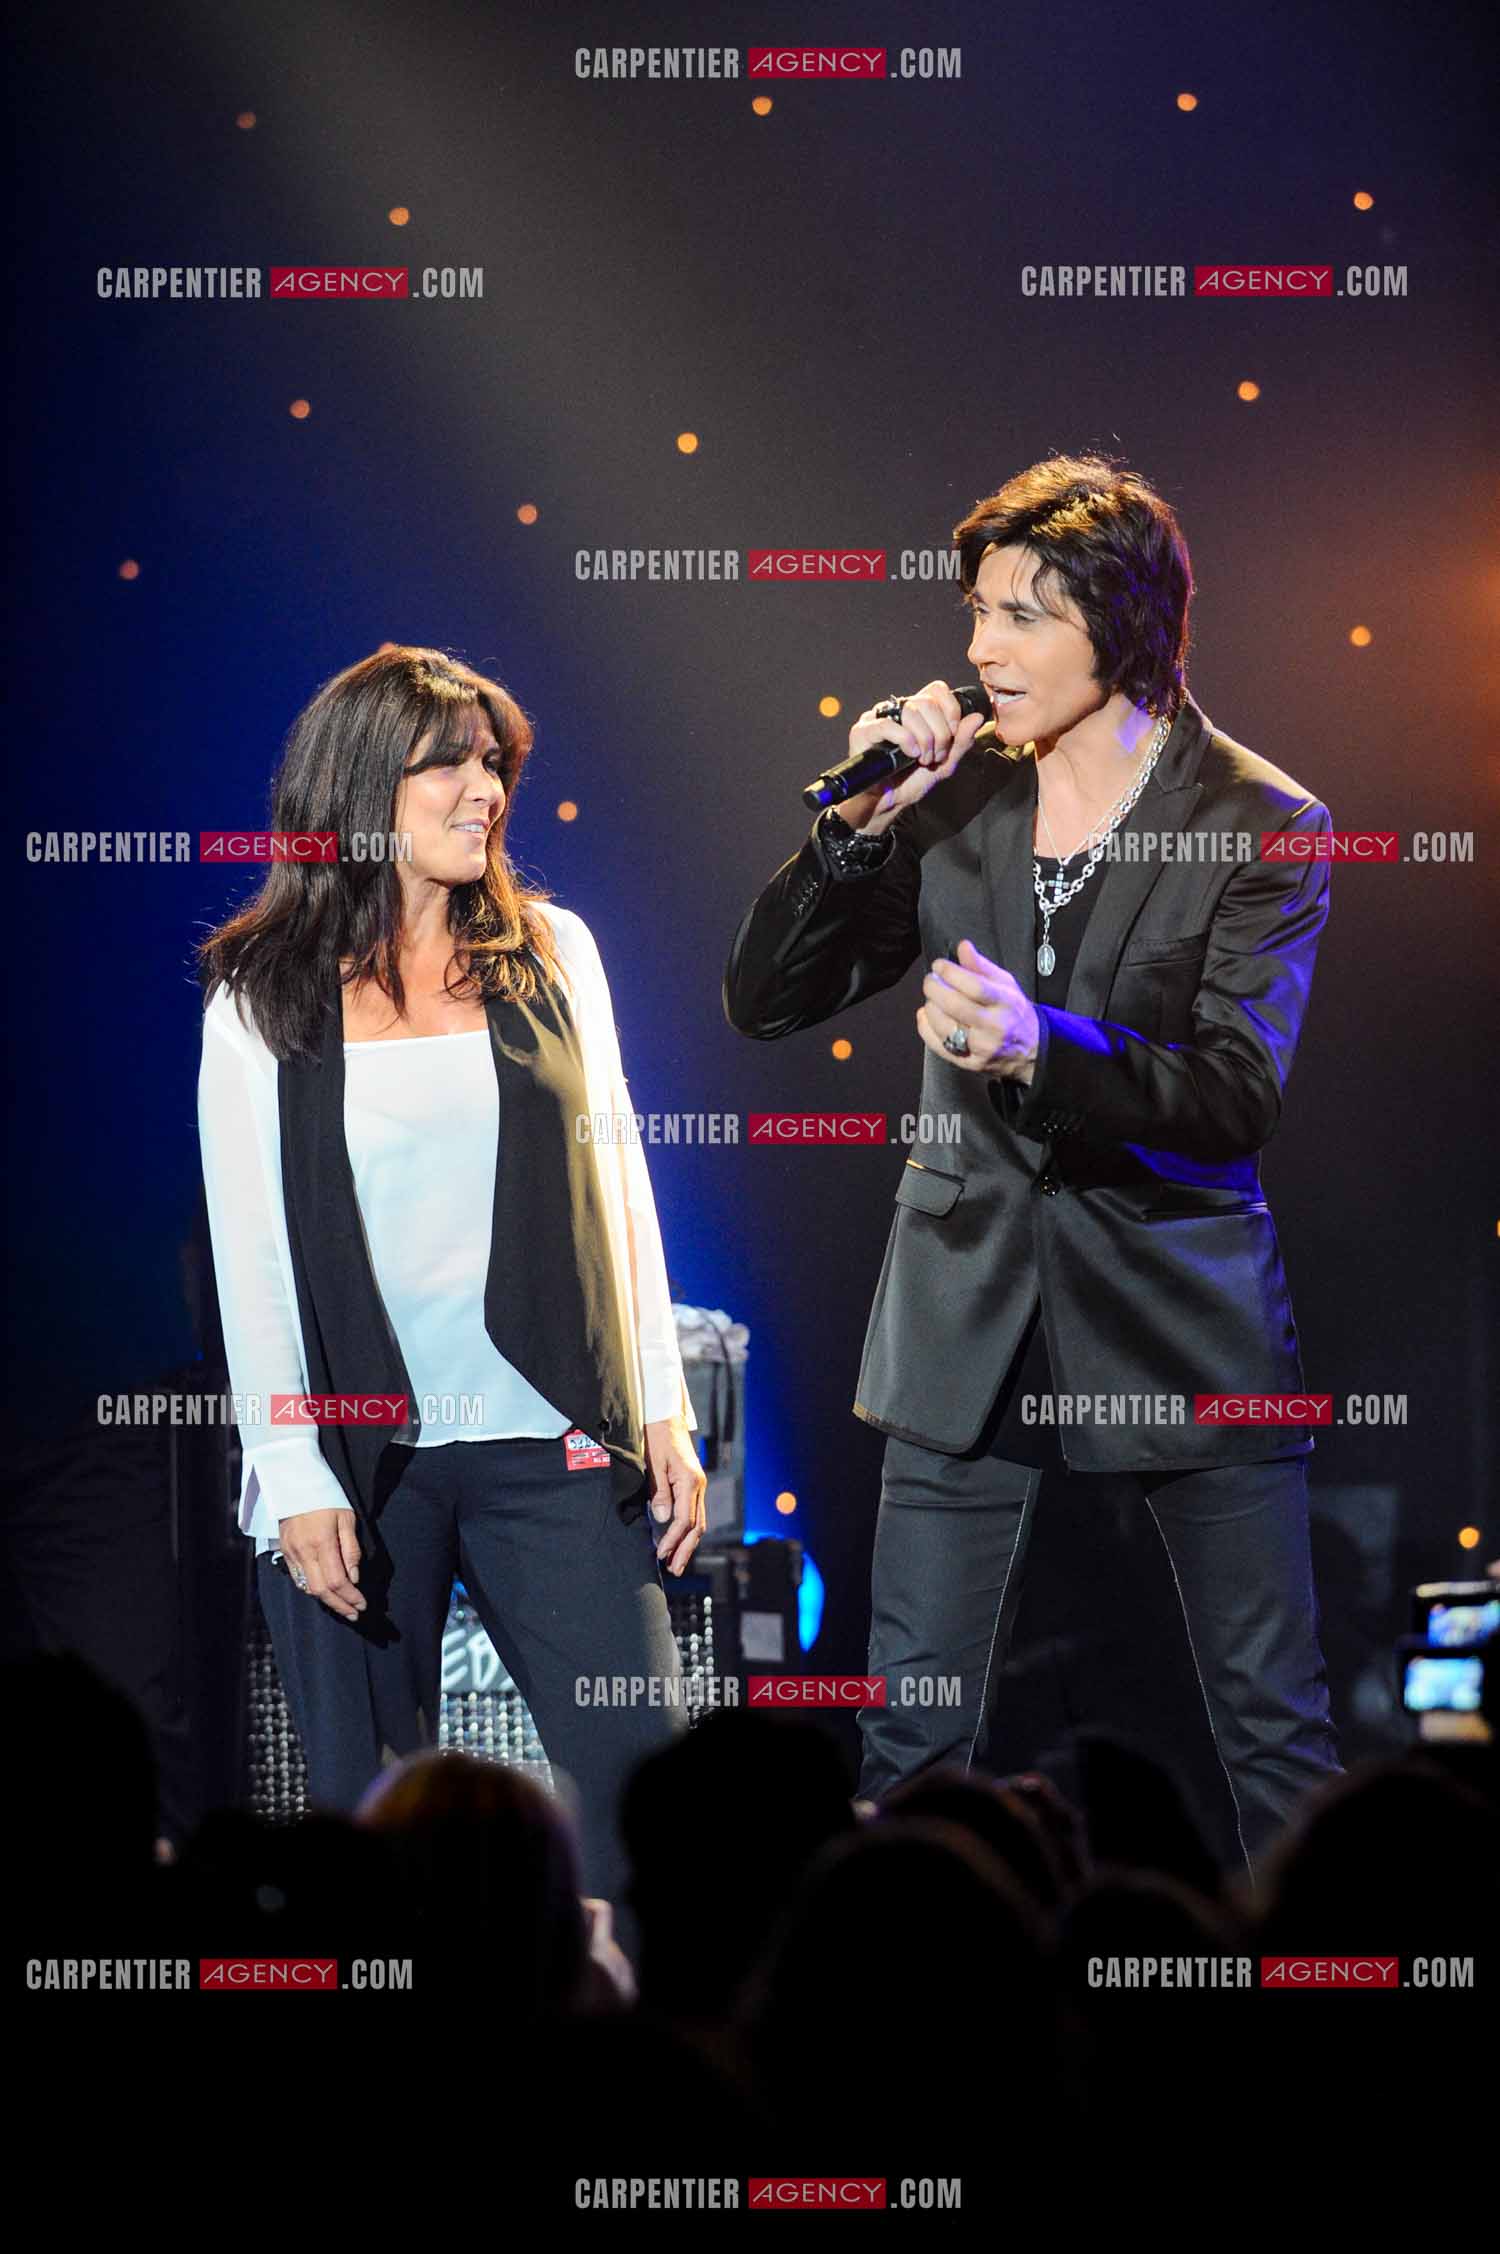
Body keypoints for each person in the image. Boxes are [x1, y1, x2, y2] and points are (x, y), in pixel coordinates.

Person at [723, 453, 1343, 1880]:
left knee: (1270, 1730)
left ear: (1118, 629)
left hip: (1179, 1307)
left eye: (1018, 616)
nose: (979, 649)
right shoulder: (951, 798)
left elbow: (1235, 1093)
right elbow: (764, 1001)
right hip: (965, 1302)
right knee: (910, 1737)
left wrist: (1039, 1048)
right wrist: (852, 831)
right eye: (976, 614)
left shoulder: (1262, 822)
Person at [196, 645, 705, 1920]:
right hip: (362, 1463)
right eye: (453, 763)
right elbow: (248, 1251)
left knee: (652, 1805)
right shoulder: (261, 997)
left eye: (496, 763)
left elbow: (620, 1187)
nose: (486, 787)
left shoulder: (557, 954)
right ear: (365, 784)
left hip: (555, 1439)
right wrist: (296, 1471)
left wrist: (659, 1398)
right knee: (368, 1846)